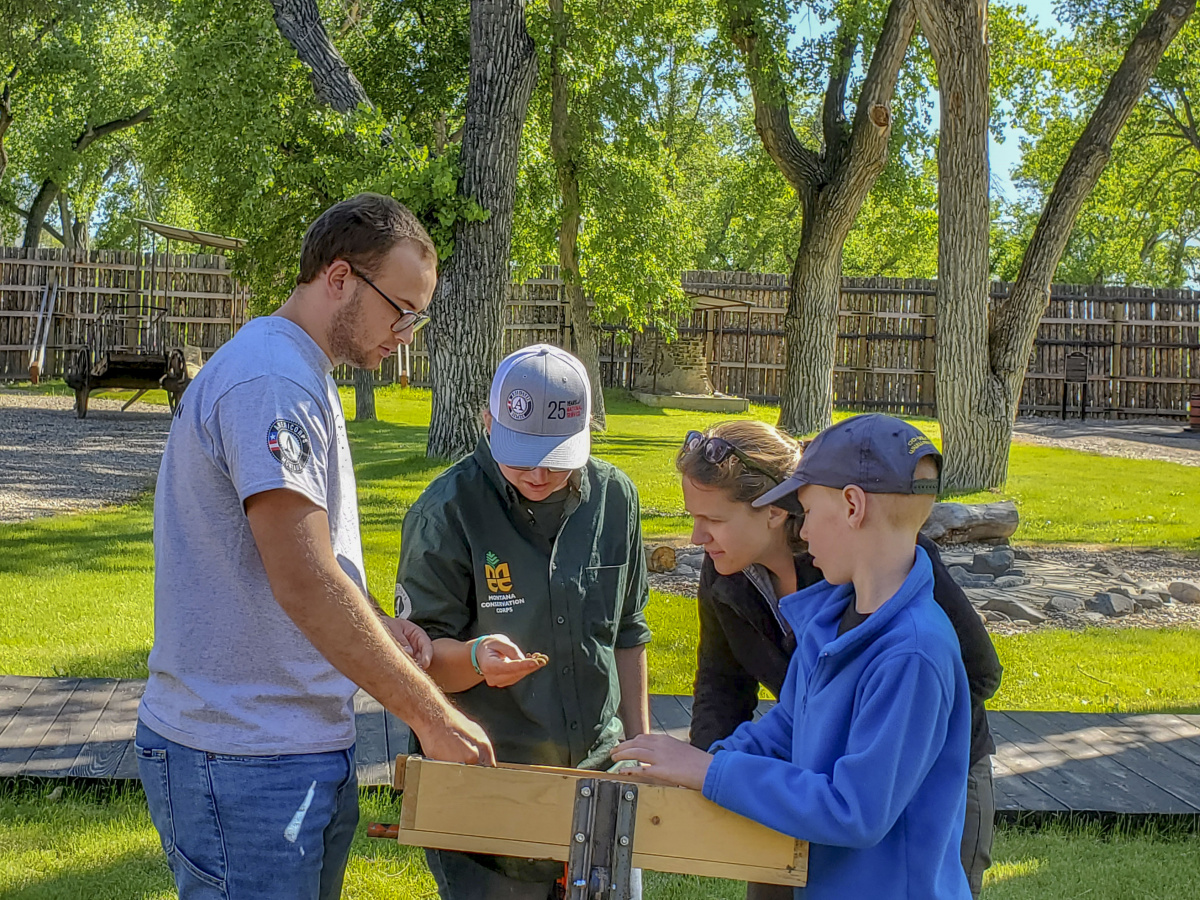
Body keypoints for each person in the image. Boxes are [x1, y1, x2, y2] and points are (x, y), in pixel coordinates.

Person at [137, 193, 495, 900]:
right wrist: (431, 713)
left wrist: (382, 630)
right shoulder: (272, 381)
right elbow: (301, 580)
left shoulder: (300, 373)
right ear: (339, 278)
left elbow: (321, 561)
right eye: (403, 309)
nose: (409, 332)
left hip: (285, 748)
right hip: (241, 760)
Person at [614, 414, 975, 900]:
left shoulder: (914, 652)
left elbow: (855, 810)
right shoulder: (825, 618)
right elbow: (786, 724)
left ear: (851, 506)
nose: (803, 534)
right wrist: (702, 763)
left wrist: (712, 772)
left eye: (808, 508)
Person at [395, 344, 651, 900]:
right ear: (487, 424)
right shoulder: (445, 512)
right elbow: (416, 663)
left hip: (601, 779)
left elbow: (628, 632)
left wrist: (641, 746)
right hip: (490, 786)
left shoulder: (616, 497)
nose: (539, 473)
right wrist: (476, 659)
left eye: (558, 457)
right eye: (521, 456)